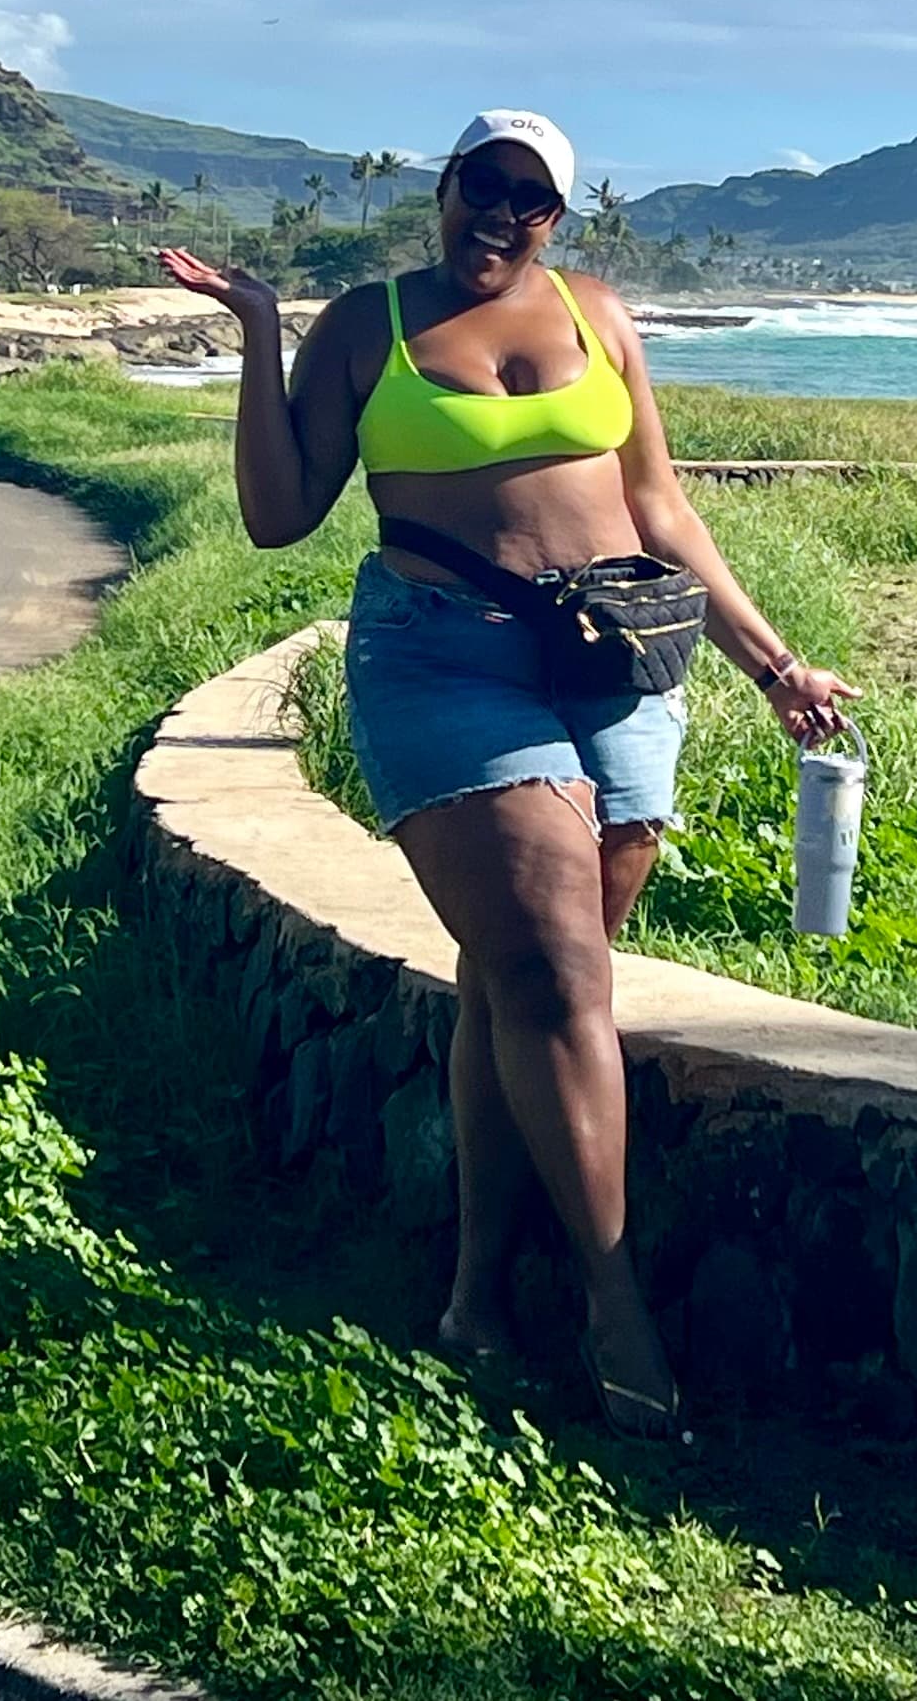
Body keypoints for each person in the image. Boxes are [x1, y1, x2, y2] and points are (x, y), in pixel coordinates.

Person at [157, 108, 856, 1436]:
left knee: (520, 982)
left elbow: (660, 508)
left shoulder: (596, 312)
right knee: (557, 974)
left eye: (532, 201)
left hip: (619, 670)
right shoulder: (369, 323)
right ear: (445, 187)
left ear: (558, 216)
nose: (504, 215)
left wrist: (775, 668)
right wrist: (260, 334)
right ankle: (616, 1309)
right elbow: (275, 513)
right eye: (486, 186)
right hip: (445, 667)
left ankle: (475, 1292)